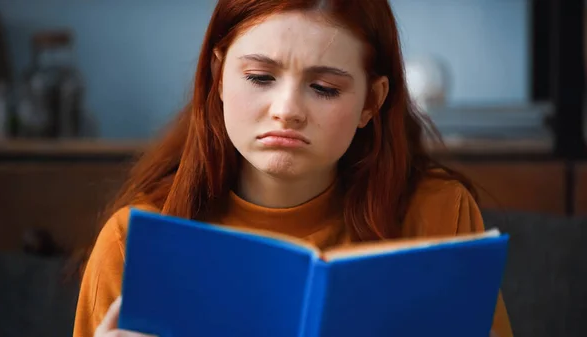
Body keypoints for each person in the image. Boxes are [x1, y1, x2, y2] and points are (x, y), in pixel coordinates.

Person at [73, 0, 514, 336]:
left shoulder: (440, 218)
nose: (286, 110)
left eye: (323, 88)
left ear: (371, 103)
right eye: (260, 78)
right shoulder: (132, 243)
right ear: (218, 76)